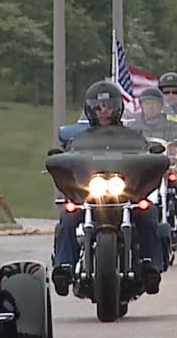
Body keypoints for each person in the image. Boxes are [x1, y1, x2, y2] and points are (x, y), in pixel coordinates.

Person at [51, 81, 166, 298]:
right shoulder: (79, 138)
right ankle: (64, 267)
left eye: (108, 105)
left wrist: (153, 155)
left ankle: (152, 265)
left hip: (124, 194)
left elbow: (147, 154)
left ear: (118, 107)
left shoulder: (132, 136)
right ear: (89, 108)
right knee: (68, 215)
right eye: (98, 106)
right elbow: (68, 159)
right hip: (91, 195)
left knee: (147, 211)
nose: (104, 110)